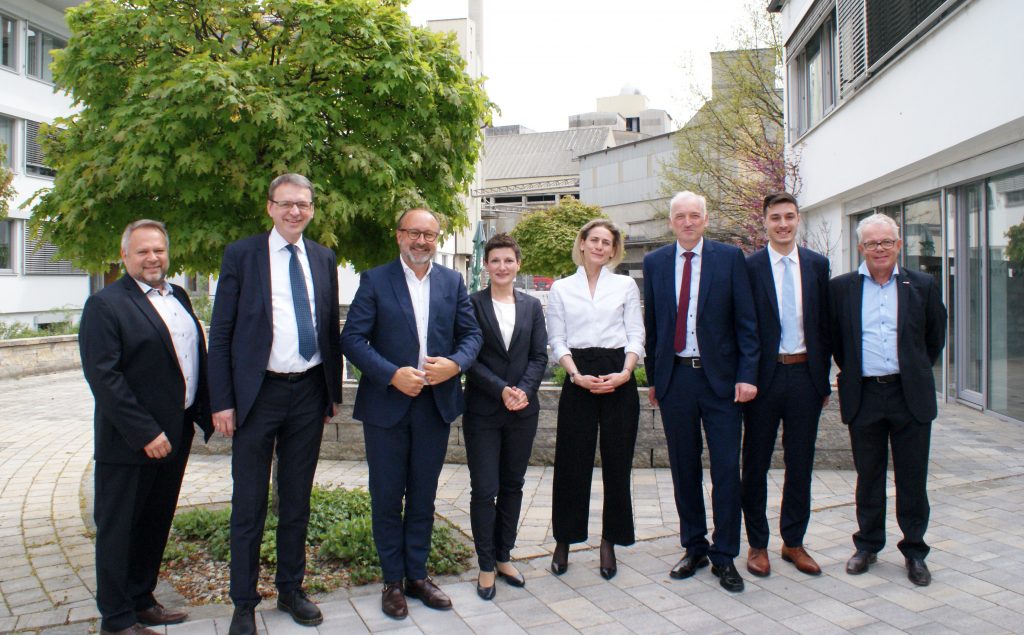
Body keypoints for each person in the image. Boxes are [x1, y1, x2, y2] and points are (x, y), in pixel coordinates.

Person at [207, 174, 342, 635]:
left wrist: (331, 392)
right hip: (255, 396)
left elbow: (328, 327)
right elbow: (221, 332)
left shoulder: (323, 258)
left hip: (308, 392)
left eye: (303, 204)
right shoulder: (242, 255)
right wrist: (222, 400)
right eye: (286, 203)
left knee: (296, 500)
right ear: (270, 207)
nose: (295, 212)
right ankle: (243, 602)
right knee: (248, 503)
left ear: (312, 209)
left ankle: (290, 589)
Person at [341, 208, 482, 619]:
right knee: (387, 496)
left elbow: (471, 335)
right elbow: (352, 338)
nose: (422, 242)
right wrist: (391, 374)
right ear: (399, 234)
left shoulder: (452, 282)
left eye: (430, 235)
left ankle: (417, 576)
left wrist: (455, 365)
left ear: (438, 239)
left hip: (434, 406)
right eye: (414, 233)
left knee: (423, 494)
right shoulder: (375, 279)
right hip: (387, 406)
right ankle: (392, 581)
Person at [79, 219, 213, 635]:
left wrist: (208, 415)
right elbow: (105, 377)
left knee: (155, 522)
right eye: (143, 251)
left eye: (159, 250)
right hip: (132, 442)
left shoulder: (179, 297)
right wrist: (146, 433)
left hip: (176, 434)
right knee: (119, 530)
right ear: (124, 256)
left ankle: (142, 599)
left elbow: (191, 361)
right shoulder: (106, 305)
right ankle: (116, 620)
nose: (153, 258)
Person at [642, 191, 759, 593]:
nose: (688, 222)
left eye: (695, 216)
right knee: (684, 468)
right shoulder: (656, 262)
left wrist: (747, 375)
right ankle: (694, 546)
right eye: (680, 216)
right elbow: (654, 325)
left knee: (726, 469)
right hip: (676, 380)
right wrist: (654, 378)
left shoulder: (729, 258)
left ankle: (724, 554)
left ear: (706, 220)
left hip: (721, 383)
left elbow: (746, 323)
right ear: (671, 221)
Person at [830, 213, 946, 587]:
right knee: (869, 475)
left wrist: (911, 370)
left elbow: (933, 338)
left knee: (913, 478)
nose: (879, 249)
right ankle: (867, 545)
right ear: (860, 248)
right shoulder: (842, 288)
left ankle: (914, 551)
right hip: (864, 393)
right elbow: (837, 341)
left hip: (908, 394)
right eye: (871, 243)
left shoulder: (923, 284)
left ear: (898, 245)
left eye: (886, 242)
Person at [547, 219, 644, 581]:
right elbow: (557, 340)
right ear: (583, 243)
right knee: (572, 462)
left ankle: (610, 541)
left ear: (613, 249)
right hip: (579, 373)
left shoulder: (624, 286)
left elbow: (636, 334)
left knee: (618, 464)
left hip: (618, 372)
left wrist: (624, 373)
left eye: (608, 242)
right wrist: (575, 374)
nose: (601, 247)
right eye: (595, 240)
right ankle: (564, 540)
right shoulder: (561, 288)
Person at [741, 191, 832, 578]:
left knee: (800, 463)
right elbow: (742, 326)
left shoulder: (817, 265)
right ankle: (757, 543)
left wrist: (824, 379)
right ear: (765, 222)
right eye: (775, 217)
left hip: (805, 376)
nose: (782, 224)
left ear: (798, 220)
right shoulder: (750, 267)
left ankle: (793, 541)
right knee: (756, 463)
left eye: (789, 217)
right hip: (764, 378)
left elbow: (824, 324)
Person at [464, 234, 548, 600]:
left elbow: (538, 357)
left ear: (518, 264)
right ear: (486, 265)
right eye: (495, 261)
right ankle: (484, 564)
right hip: (483, 409)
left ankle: (503, 555)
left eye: (508, 261)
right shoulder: (471, 305)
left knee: (513, 485)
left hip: (522, 411)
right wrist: (501, 389)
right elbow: (469, 357)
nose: (501, 267)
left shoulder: (532, 306)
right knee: (485, 489)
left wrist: (523, 391)